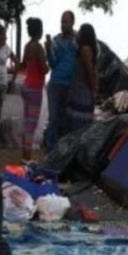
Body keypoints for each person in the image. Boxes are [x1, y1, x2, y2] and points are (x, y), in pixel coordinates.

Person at [44, 11, 78, 151]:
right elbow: (52, 63)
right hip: (56, 84)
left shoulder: (78, 40)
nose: (63, 25)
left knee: (66, 120)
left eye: (66, 21)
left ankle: (63, 152)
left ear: (72, 23)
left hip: (71, 85)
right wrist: (48, 50)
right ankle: (51, 150)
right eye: (62, 21)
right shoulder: (56, 41)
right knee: (53, 119)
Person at [21, 18, 48, 162]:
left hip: (26, 85)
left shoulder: (27, 46)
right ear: (39, 31)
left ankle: (24, 155)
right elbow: (44, 69)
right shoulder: (38, 47)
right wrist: (48, 64)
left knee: (26, 122)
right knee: (32, 124)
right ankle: (27, 158)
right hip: (35, 88)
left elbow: (24, 64)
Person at [66, 24, 98, 133]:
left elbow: (90, 72)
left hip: (81, 94)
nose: (77, 33)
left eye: (80, 31)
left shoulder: (85, 50)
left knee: (78, 129)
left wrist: (94, 91)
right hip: (79, 92)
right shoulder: (84, 49)